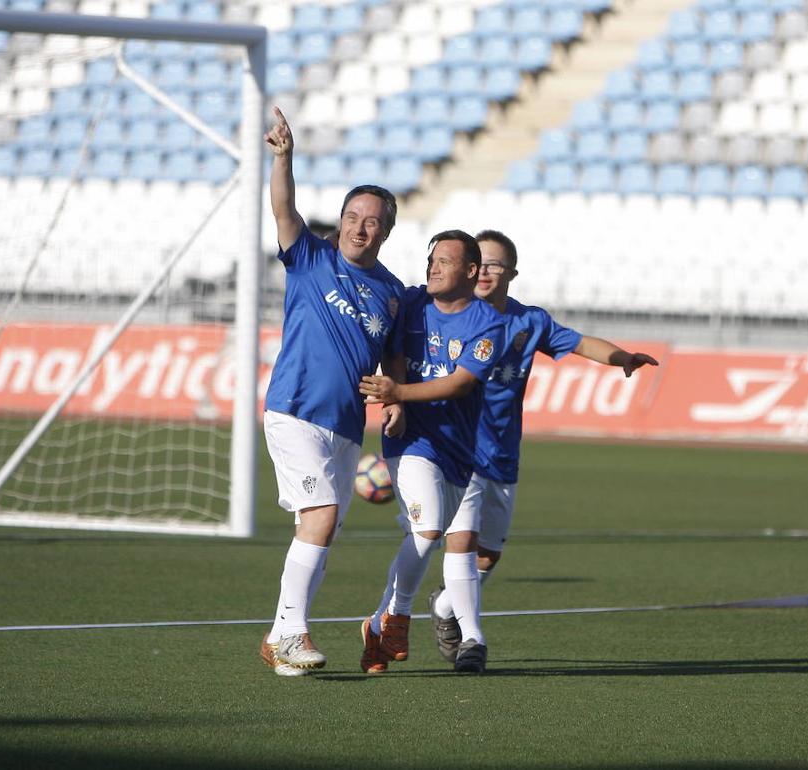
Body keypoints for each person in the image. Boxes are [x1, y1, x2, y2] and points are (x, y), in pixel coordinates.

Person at [426, 229, 659, 666]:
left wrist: (622, 358)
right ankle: (473, 643)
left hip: (503, 453)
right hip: (460, 449)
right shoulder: (452, 314)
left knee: (488, 555)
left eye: (496, 265)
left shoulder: (529, 322)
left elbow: (582, 342)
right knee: (464, 540)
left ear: (511, 273)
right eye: (480, 262)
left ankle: (443, 608)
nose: (486, 272)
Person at [258, 106, 408, 677]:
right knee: (319, 514)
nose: (358, 227)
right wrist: (284, 158)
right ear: (340, 219)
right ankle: (293, 632)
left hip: (347, 426)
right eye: (351, 216)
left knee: (319, 529)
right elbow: (283, 208)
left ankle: (278, 637)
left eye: (371, 221)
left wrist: (393, 396)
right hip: (294, 408)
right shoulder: (310, 257)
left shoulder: (393, 292)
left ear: (386, 231)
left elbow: (392, 354)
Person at [356, 230, 505, 675]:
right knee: (428, 529)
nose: (433, 267)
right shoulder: (413, 302)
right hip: (411, 439)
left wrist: (399, 389)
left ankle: (379, 630)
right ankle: (398, 615)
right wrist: (396, 401)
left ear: (471, 271)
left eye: (445, 260)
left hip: (458, 449)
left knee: (428, 534)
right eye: (431, 259)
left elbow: (461, 382)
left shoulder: (487, 322)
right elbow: (394, 352)